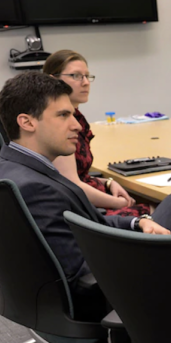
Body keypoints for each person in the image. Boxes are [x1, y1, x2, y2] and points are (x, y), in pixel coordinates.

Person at [0, 72, 171, 321]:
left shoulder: (13, 166)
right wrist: (144, 252)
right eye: (63, 115)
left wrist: (136, 223)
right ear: (27, 122)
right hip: (101, 297)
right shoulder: (36, 188)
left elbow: (88, 224)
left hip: (81, 275)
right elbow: (82, 274)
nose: (77, 126)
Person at [42, 49, 148, 217]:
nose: (85, 83)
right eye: (76, 76)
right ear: (53, 80)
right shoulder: (59, 124)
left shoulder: (77, 117)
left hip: (89, 197)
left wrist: (108, 183)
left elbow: (80, 176)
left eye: (87, 76)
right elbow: (72, 184)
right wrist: (119, 202)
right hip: (86, 212)